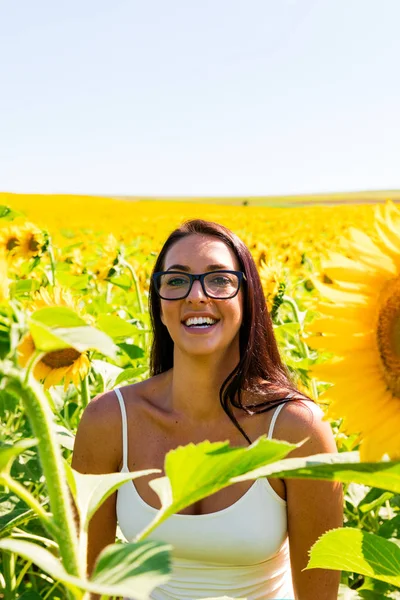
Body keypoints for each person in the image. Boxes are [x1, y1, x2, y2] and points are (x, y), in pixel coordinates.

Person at [72, 219, 343, 600]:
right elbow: (87, 585)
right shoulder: (109, 421)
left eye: (219, 279)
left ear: (248, 299)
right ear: (159, 303)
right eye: (177, 280)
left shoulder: (296, 429)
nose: (197, 296)